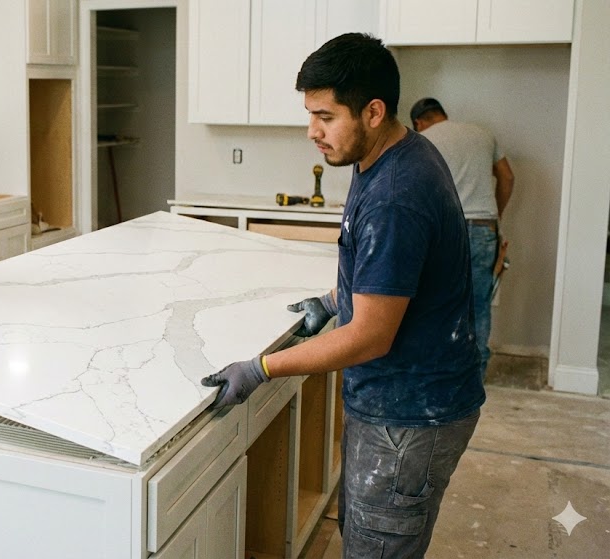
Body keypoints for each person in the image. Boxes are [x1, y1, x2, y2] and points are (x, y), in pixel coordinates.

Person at [201, 33, 484, 558]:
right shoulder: (385, 157)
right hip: (400, 402)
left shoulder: (397, 195)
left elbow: (371, 336)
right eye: (310, 115)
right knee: (365, 535)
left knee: (376, 547)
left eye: (326, 117)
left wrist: (262, 367)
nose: (312, 132)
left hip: (410, 416)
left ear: (373, 112)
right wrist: (334, 301)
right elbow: (387, 275)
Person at [410, 97, 514, 379]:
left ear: (419, 122)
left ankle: (439, 372)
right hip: (483, 226)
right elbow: (507, 177)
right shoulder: (483, 134)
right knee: (479, 304)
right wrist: (496, 216)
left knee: (435, 301)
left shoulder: (422, 140)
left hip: (444, 230)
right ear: (442, 113)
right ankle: (474, 376)